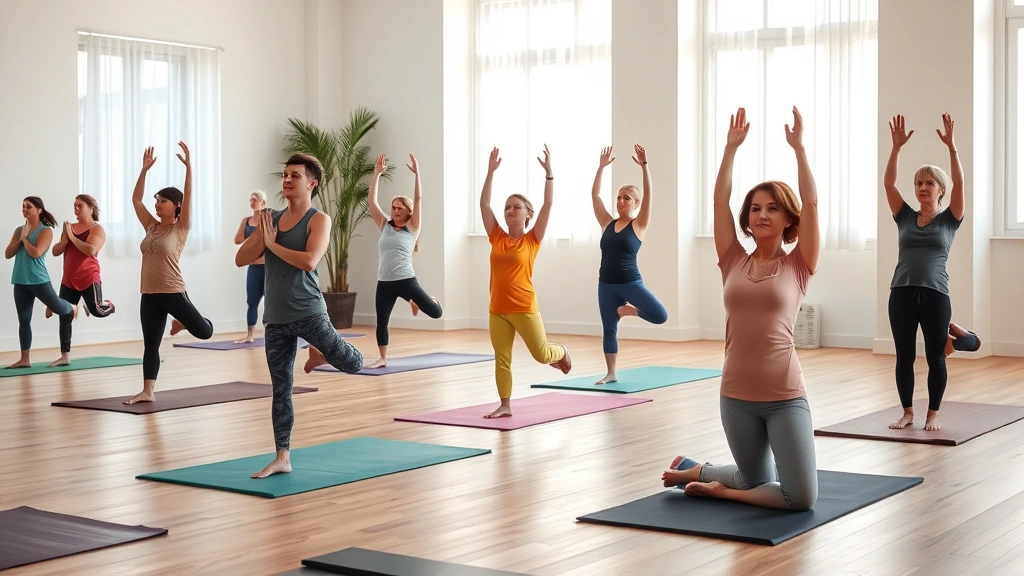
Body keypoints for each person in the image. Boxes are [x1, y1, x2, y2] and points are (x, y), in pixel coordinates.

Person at [660, 107, 820, 511]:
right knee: (756, 479)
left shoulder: (799, 265)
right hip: (735, 394)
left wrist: (799, 149)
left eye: (772, 208)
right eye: (755, 209)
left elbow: (813, 203)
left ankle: (715, 485)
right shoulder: (732, 260)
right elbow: (719, 198)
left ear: (787, 218)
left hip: (784, 396)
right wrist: (730, 149)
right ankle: (697, 471)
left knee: (800, 497)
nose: (762, 214)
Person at [235, 153, 363, 479]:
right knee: (282, 389)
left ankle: (320, 354)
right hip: (275, 317)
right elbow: (240, 258)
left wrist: (272, 245)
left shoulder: (319, 219)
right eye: (285, 174)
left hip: (308, 311)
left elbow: (309, 260)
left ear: (311, 182)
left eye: (295, 175)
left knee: (353, 363)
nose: (287, 179)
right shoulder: (271, 218)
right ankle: (282, 456)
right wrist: (263, 239)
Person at [883, 113, 966, 432]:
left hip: (935, 295)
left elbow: (960, 182)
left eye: (929, 183)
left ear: (940, 189)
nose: (922, 187)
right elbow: (888, 183)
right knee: (904, 356)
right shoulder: (904, 216)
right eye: (918, 183)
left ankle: (932, 413)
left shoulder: (950, 219)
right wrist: (896, 148)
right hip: (901, 294)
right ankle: (907, 412)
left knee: (936, 357)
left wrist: (952, 147)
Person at [479, 145, 572, 419]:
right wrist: (490, 172)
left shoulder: (532, 239)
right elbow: (484, 204)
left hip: (524, 307)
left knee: (542, 355)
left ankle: (562, 351)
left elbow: (548, 204)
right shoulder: (496, 235)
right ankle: (505, 404)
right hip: (497, 308)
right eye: (506, 207)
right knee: (502, 359)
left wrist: (549, 174)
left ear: (527, 215)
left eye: (515, 207)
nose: (509, 210)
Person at [125, 143, 214, 405]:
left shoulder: (181, 227)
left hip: (173, 291)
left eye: (162, 201)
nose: (157, 205)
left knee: (204, 333)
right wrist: (143, 171)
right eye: (157, 201)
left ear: (176, 205)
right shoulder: (151, 227)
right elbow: (136, 200)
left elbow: (189, 193)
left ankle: (189, 320)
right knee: (151, 344)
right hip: (149, 294)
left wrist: (189, 167)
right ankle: (147, 390)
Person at [590, 144, 668, 384]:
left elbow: (650, 194)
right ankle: (611, 373)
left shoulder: (638, 225)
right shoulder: (607, 223)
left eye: (626, 198)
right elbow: (595, 196)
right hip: (606, 284)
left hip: (629, 283)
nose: (620, 201)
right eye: (618, 198)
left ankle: (629, 310)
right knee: (609, 329)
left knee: (660, 315)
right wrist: (601, 168)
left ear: (635, 203)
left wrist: (645, 166)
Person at [365, 153, 442, 368]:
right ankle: (382, 358)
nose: (395, 210)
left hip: (406, 280)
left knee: (436, 313)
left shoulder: (412, 227)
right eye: (393, 207)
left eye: (400, 208)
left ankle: (424, 300)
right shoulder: (385, 224)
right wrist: (376, 174)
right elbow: (371, 201)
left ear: (409, 212)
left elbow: (418, 199)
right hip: (384, 283)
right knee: (381, 321)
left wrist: (417, 174)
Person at [4, 197, 78, 368]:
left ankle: (72, 307)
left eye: (28, 207)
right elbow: (8, 253)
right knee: (24, 320)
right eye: (22, 206)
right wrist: (19, 238)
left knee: (61, 309)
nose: (24, 209)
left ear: (39, 210)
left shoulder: (46, 231)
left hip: (38, 279)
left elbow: (36, 253)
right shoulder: (19, 230)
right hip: (20, 280)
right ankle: (24, 359)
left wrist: (25, 239)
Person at [47, 194, 116, 366]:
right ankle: (65, 356)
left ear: (91, 207)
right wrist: (65, 239)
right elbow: (56, 251)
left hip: (89, 276)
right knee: (65, 315)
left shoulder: (97, 229)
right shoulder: (70, 227)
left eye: (80, 206)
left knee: (97, 311)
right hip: (69, 278)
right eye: (75, 205)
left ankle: (110, 305)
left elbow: (90, 250)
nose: (76, 209)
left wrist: (72, 236)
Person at [232, 190, 268, 343]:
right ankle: (250, 335)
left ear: (263, 203)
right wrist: (254, 237)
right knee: (252, 301)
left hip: (267, 267)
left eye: (255, 200)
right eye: (251, 200)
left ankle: (271, 334)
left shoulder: (268, 220)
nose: (252, 202)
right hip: (253, 268)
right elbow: (237, 240)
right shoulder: (246, 221)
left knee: (270, 302)